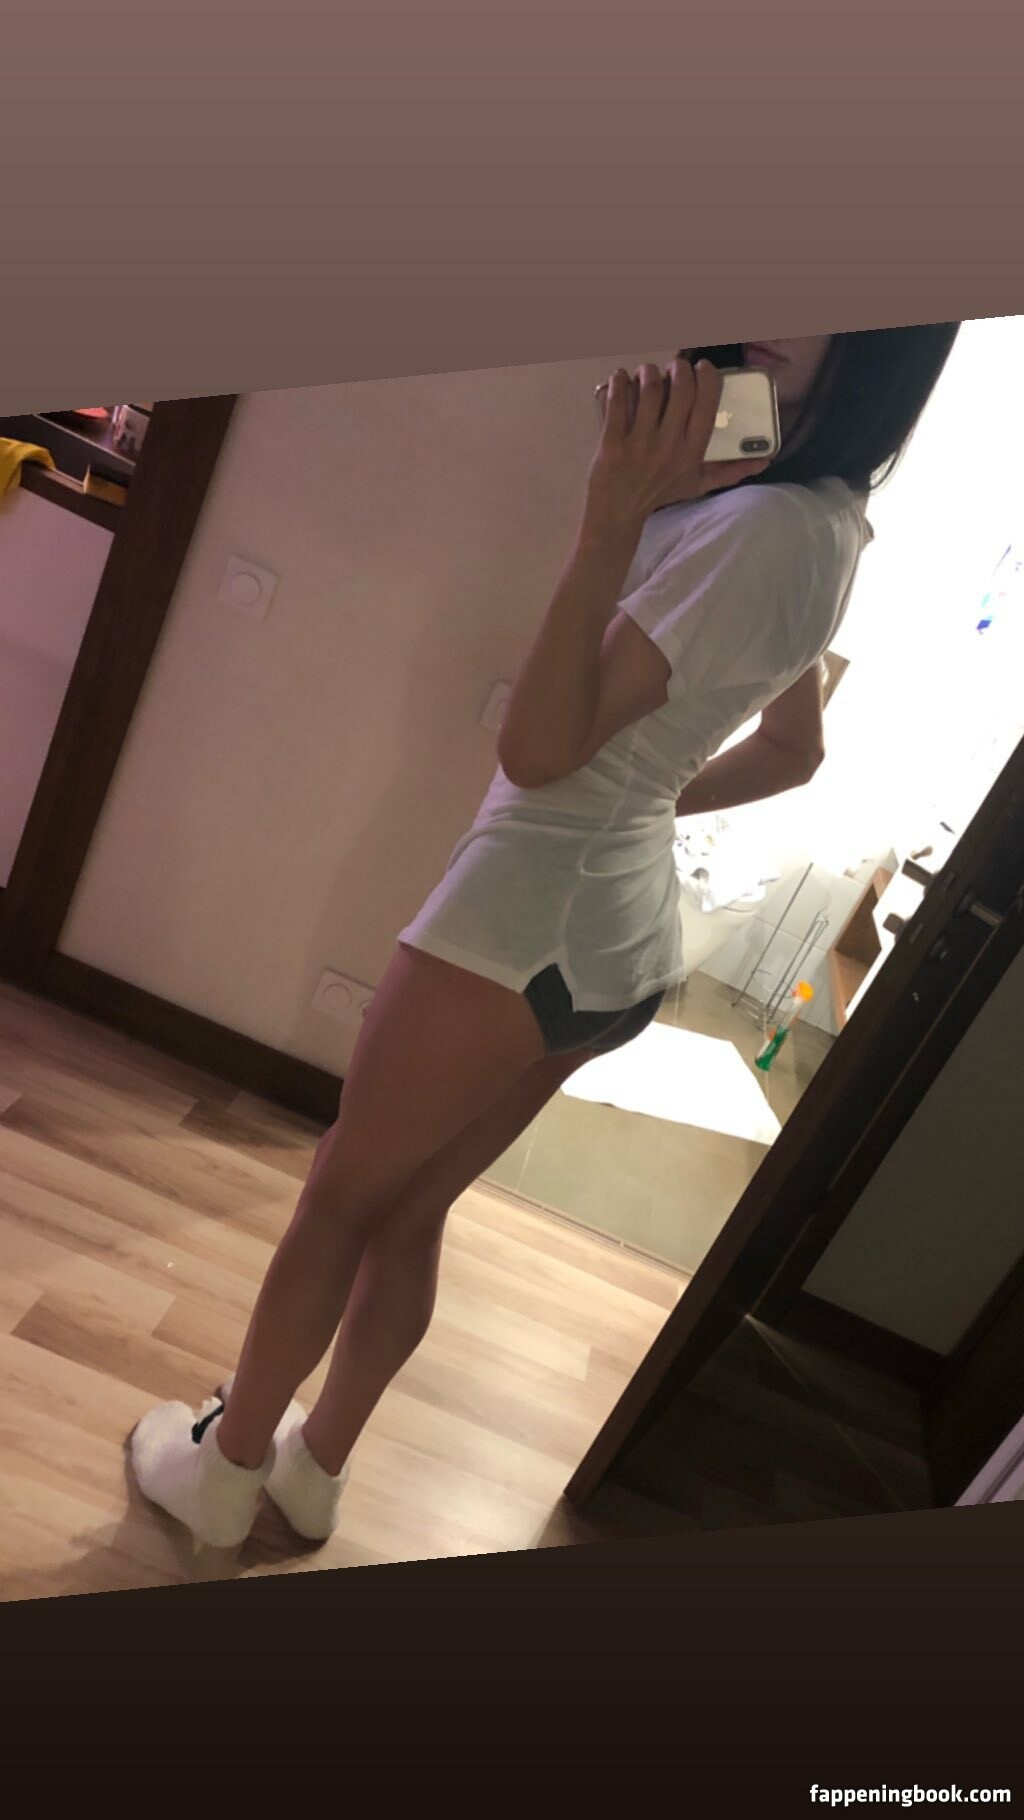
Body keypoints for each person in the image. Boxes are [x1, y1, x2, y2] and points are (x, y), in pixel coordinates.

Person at [131, 325, 960, 1548]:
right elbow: (796, 750)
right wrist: (644, 791)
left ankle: (225, 1470)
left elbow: (536, 747)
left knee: (341, 1195)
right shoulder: (827, 522)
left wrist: (610, 519)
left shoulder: (754, 527)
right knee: (408, 1211)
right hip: (616, 934)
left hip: (523, 916)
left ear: (889, 349)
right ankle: (311, 1474)